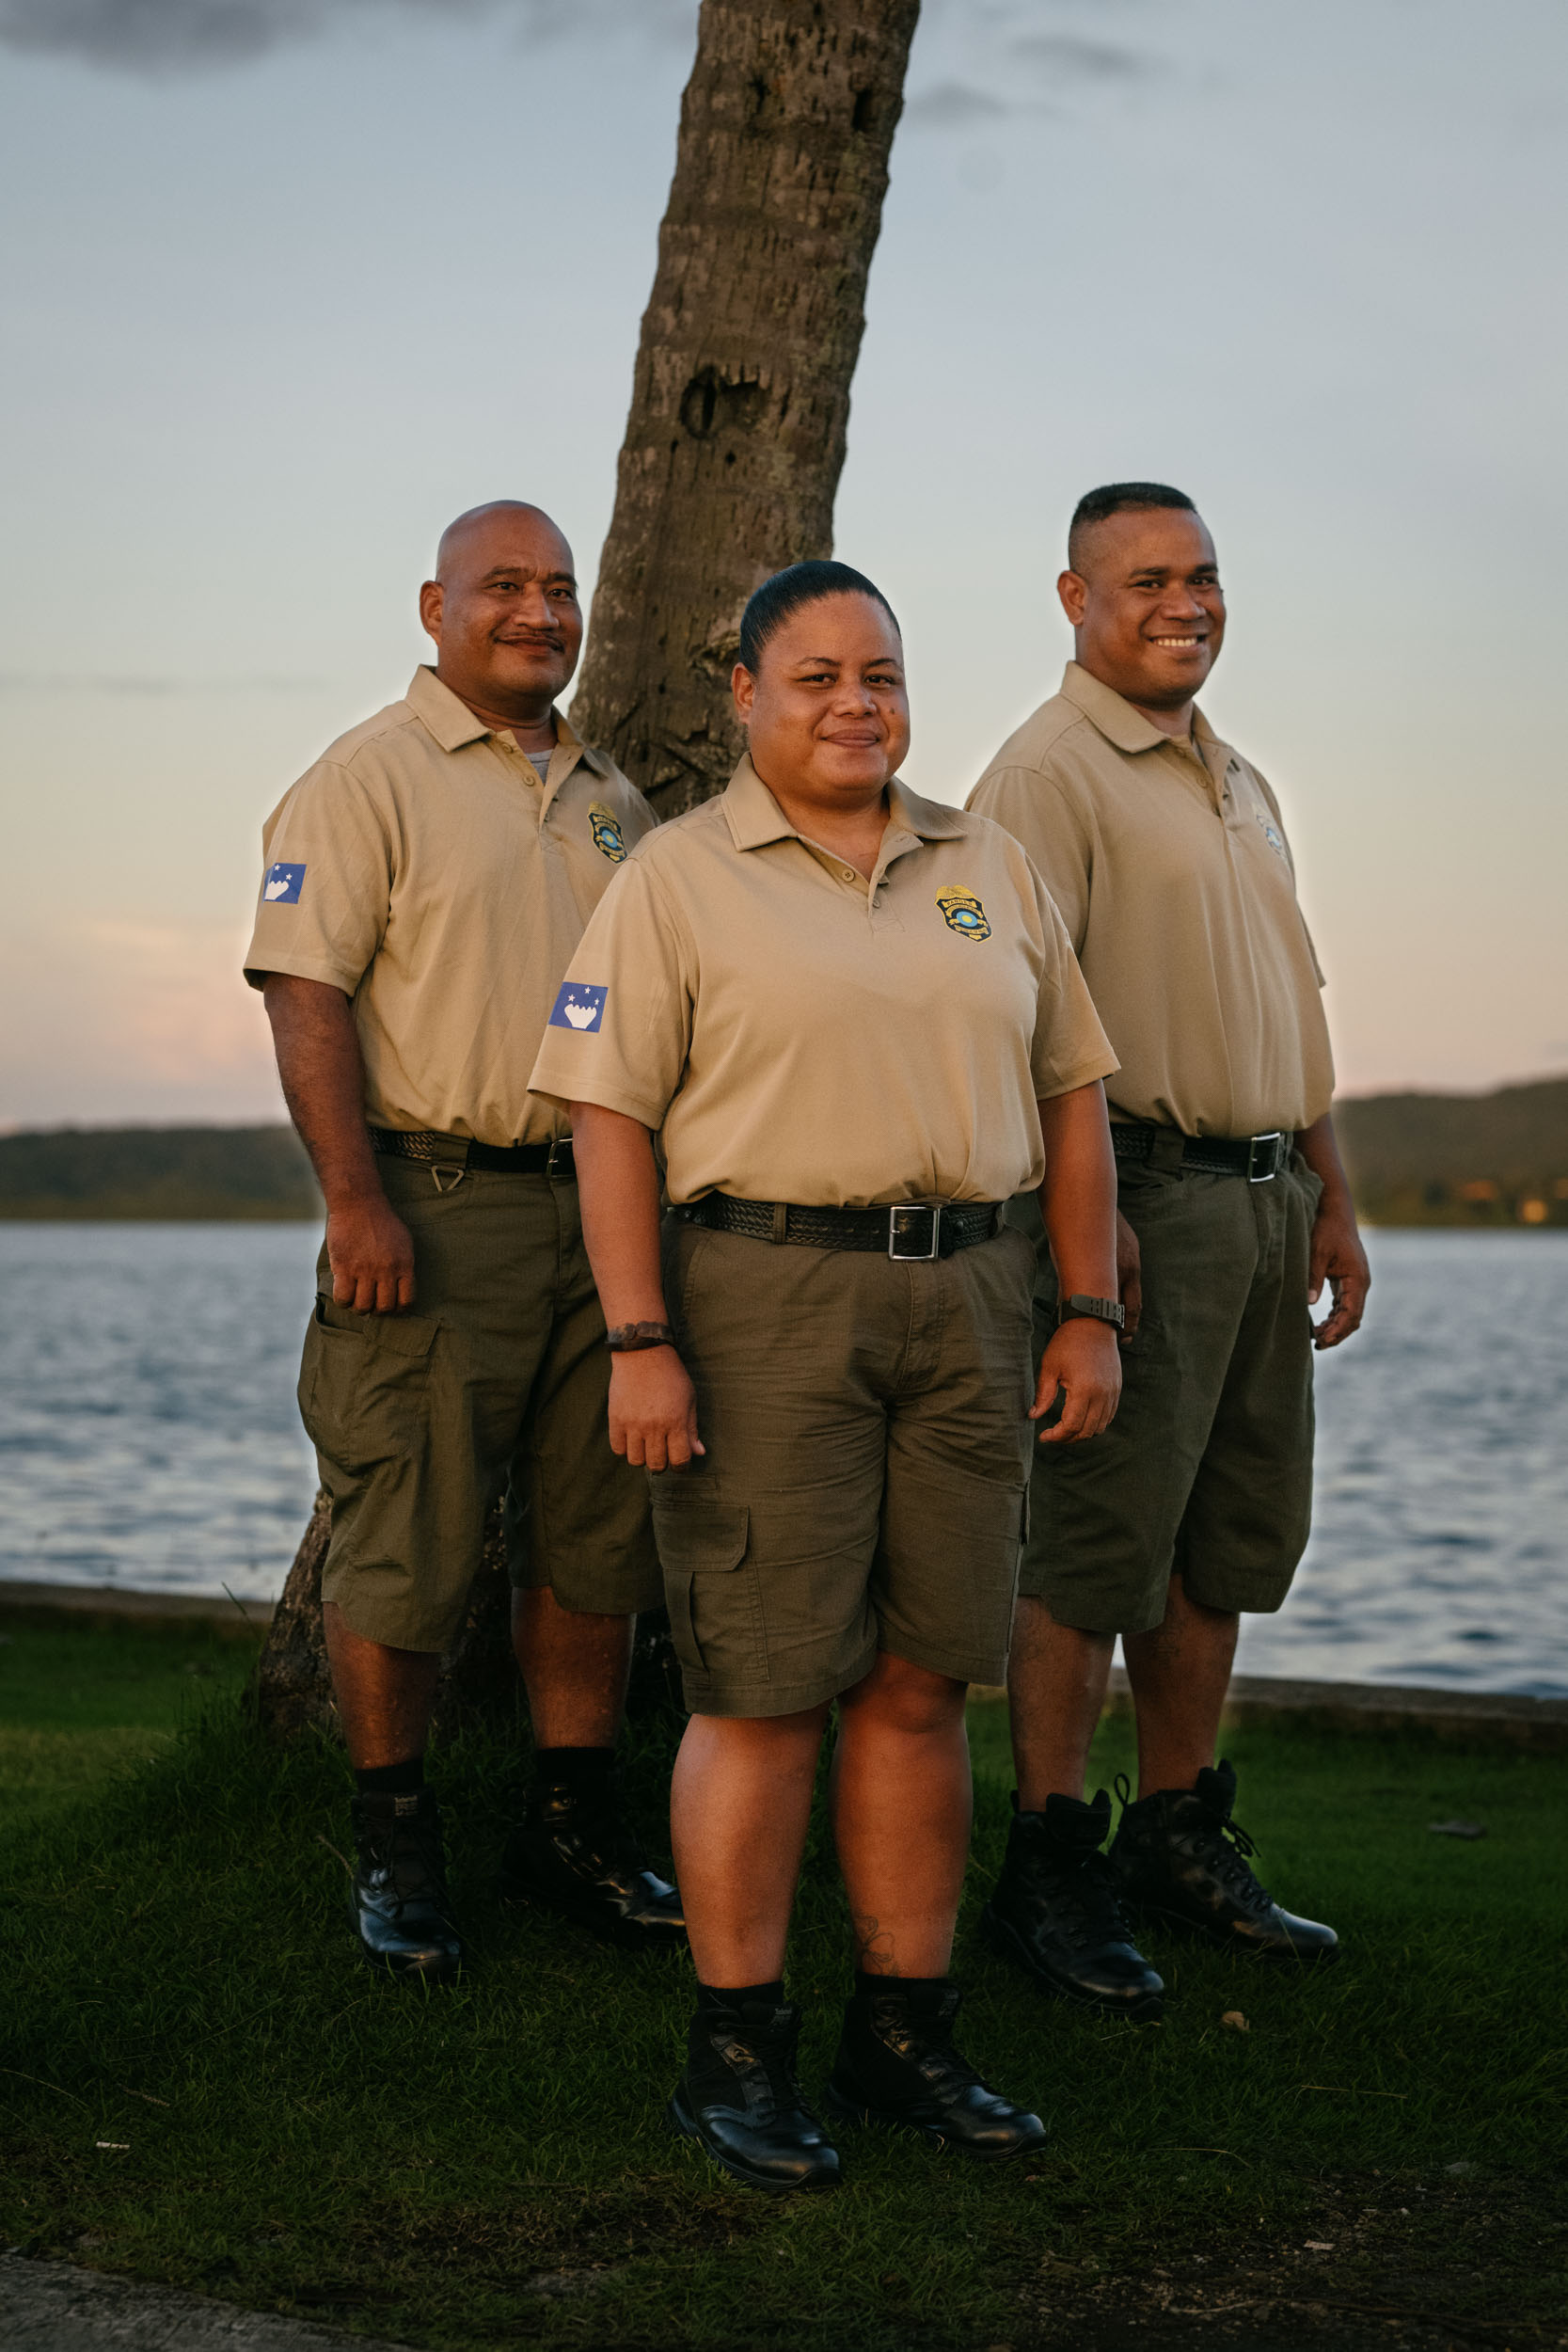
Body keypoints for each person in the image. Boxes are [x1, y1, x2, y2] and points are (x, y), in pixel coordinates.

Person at [529, 560, 1123, 2194]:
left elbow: (1072, 1094)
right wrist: (640, 1338)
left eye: (883, 673)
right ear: (746, 698)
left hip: (979, 1297)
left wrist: (1089, 1307)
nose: (859, 703)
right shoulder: (675, 879)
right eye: (817, 678)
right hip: (760, 1301)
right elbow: (607, 1121)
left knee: (927, 1680)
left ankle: (904, 2031)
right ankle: (735, 2054)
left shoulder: (984, 861)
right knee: (763, 1686)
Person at [245, 501, 684, 1981]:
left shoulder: (614, 795)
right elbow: (304, 990)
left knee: (593, 1537)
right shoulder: (365, 779)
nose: (538, 611)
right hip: (435, 1209)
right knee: (410, 1538)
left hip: (607, 1218)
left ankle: (568, 1828)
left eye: (559, 589)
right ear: (433, 609)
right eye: (504, 585)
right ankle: (397, 1841)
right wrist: (353, 1198)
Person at [967, 483, 1370, 2018]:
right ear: (1074, 600)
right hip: (1139, 1194)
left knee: (1223, 1540)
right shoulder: (1047, 774)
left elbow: (1299, 1006)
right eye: (1145, 582)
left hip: (1267, 1194)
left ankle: (1182, 1837)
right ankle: (1051, 1858)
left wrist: (1330, 1189)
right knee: (1093, 1547)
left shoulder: (1236, 775)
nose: (1183, 604)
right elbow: (1012, 1026)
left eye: (1201, 577)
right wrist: (1091, 1232)